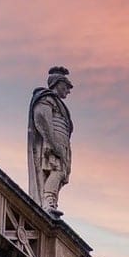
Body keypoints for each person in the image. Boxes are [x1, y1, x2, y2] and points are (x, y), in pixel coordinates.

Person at [26, 67, 73, 215]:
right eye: (66, 86)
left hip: (62, 143)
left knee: (61, 173)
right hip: (53, 142)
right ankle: (48, 202)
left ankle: (51, 201)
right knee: (56, 171)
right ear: (57, 83)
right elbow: (41, 118)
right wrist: (51, 142)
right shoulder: (46, 98)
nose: (68, 90)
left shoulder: (57, 103)